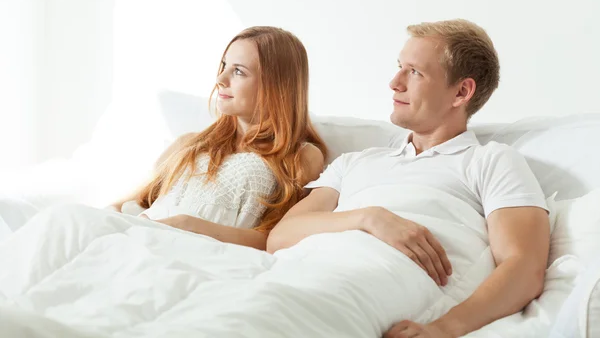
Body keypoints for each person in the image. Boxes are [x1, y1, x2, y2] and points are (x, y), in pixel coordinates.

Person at [267, 19, 550, 337]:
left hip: (371, 286)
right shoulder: (356, 162)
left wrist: (442, 329)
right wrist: (369, 218)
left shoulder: (491, 161)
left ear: (461, 92)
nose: (394, 82)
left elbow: (524, 266)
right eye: (400, 67)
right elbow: (280, 237)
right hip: (300, 272)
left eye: (414, 72)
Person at [109, 26, 327, 251]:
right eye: (224, 66)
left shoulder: (300, 157)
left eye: (238, 71)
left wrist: (188, 225)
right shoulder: (188, 145)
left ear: (277, 84)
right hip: (137, 238)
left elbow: (275, 238)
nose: (220, 79)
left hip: (199, 254)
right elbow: (128, 203)